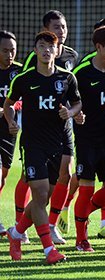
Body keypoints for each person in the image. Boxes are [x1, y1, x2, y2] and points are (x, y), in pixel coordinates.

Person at [5, 31, 82, 264]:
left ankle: (16, 234)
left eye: (51, 46)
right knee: (38, 194)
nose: (47, 50)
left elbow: (78, 102)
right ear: (35, 50)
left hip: (58, 144)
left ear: (57, 51)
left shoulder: (67, 78)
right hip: (33, 144)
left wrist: (70, 112)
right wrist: (11, 121)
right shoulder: (23, 79)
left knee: (43, 198)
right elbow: (9, 104)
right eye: (42, 46)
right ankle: (49, 250)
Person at [60, 18, 105, 239]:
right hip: (87, 137)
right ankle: (81, 239)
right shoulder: (81, 73)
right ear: (98, 47)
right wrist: (75, 113)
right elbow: (68, 98)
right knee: (86, 188)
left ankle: (83, 213)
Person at [20, 10, 79, 245]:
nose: (61, 31)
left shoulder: (72, 57)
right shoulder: (32, 61)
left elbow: (75, 96)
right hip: (36, 134)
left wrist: (75, 113)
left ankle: (51, 224)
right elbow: (20, 90)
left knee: (66, 174)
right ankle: (24, 228)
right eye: (56, 27)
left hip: (63, 130)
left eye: (64, 26)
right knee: (34, 182)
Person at [0, 30, 22, 236]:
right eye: (5, 50)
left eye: (13, 50)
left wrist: (13, 107)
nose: (10, 55)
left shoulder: (20, 73)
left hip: (9, 130)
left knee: (4, 175)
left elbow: (26, 97)